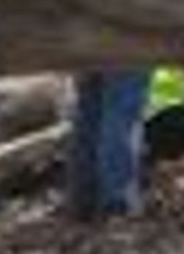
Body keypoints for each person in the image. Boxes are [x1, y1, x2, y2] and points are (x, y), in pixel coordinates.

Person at [64, 69, 149, 221]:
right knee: (121, 115)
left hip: (84, 50)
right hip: (127, 52)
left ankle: (84, 201)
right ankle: (117, 202)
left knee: (89, 113)